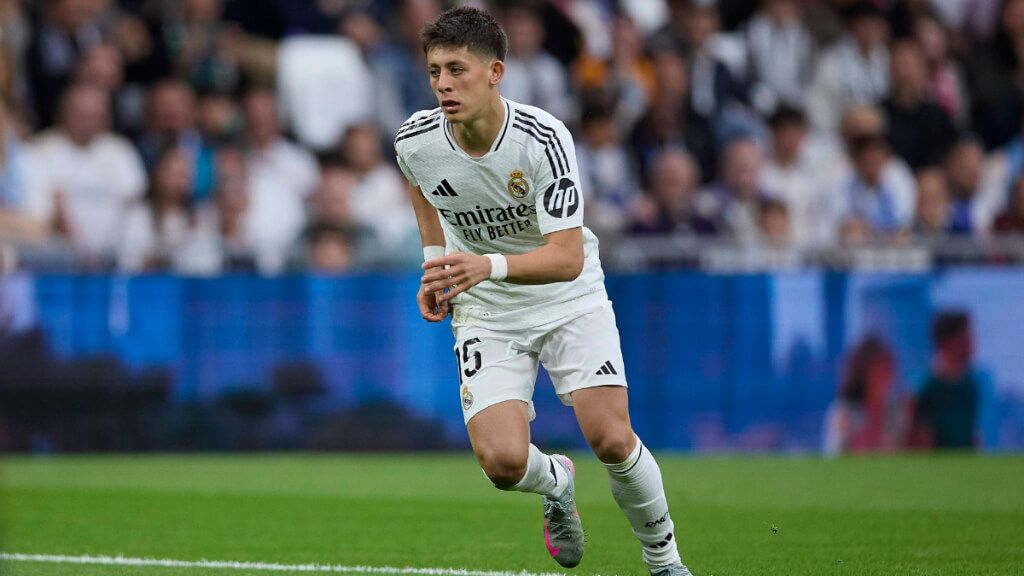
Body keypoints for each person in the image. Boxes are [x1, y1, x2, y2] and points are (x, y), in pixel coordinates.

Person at [394, 8, 691, 576]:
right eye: (435, 72)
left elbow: (566, 256)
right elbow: (421, 185)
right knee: (503, 464)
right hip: (487, 304)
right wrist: (435, 266)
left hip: (567, 295)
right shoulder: (416, 139)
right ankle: (556, 480)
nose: (443, 85)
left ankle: (664, 560)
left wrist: (486, 265)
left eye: (457, 70)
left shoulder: (542, 138)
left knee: (611, 437)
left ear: (495, 71)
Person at [910, 311, 980, 450]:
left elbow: (972, 433)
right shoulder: (926, 387)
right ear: (949, 341)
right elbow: (921, 440)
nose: (972, 342)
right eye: (965, 336)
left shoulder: (970, 385)